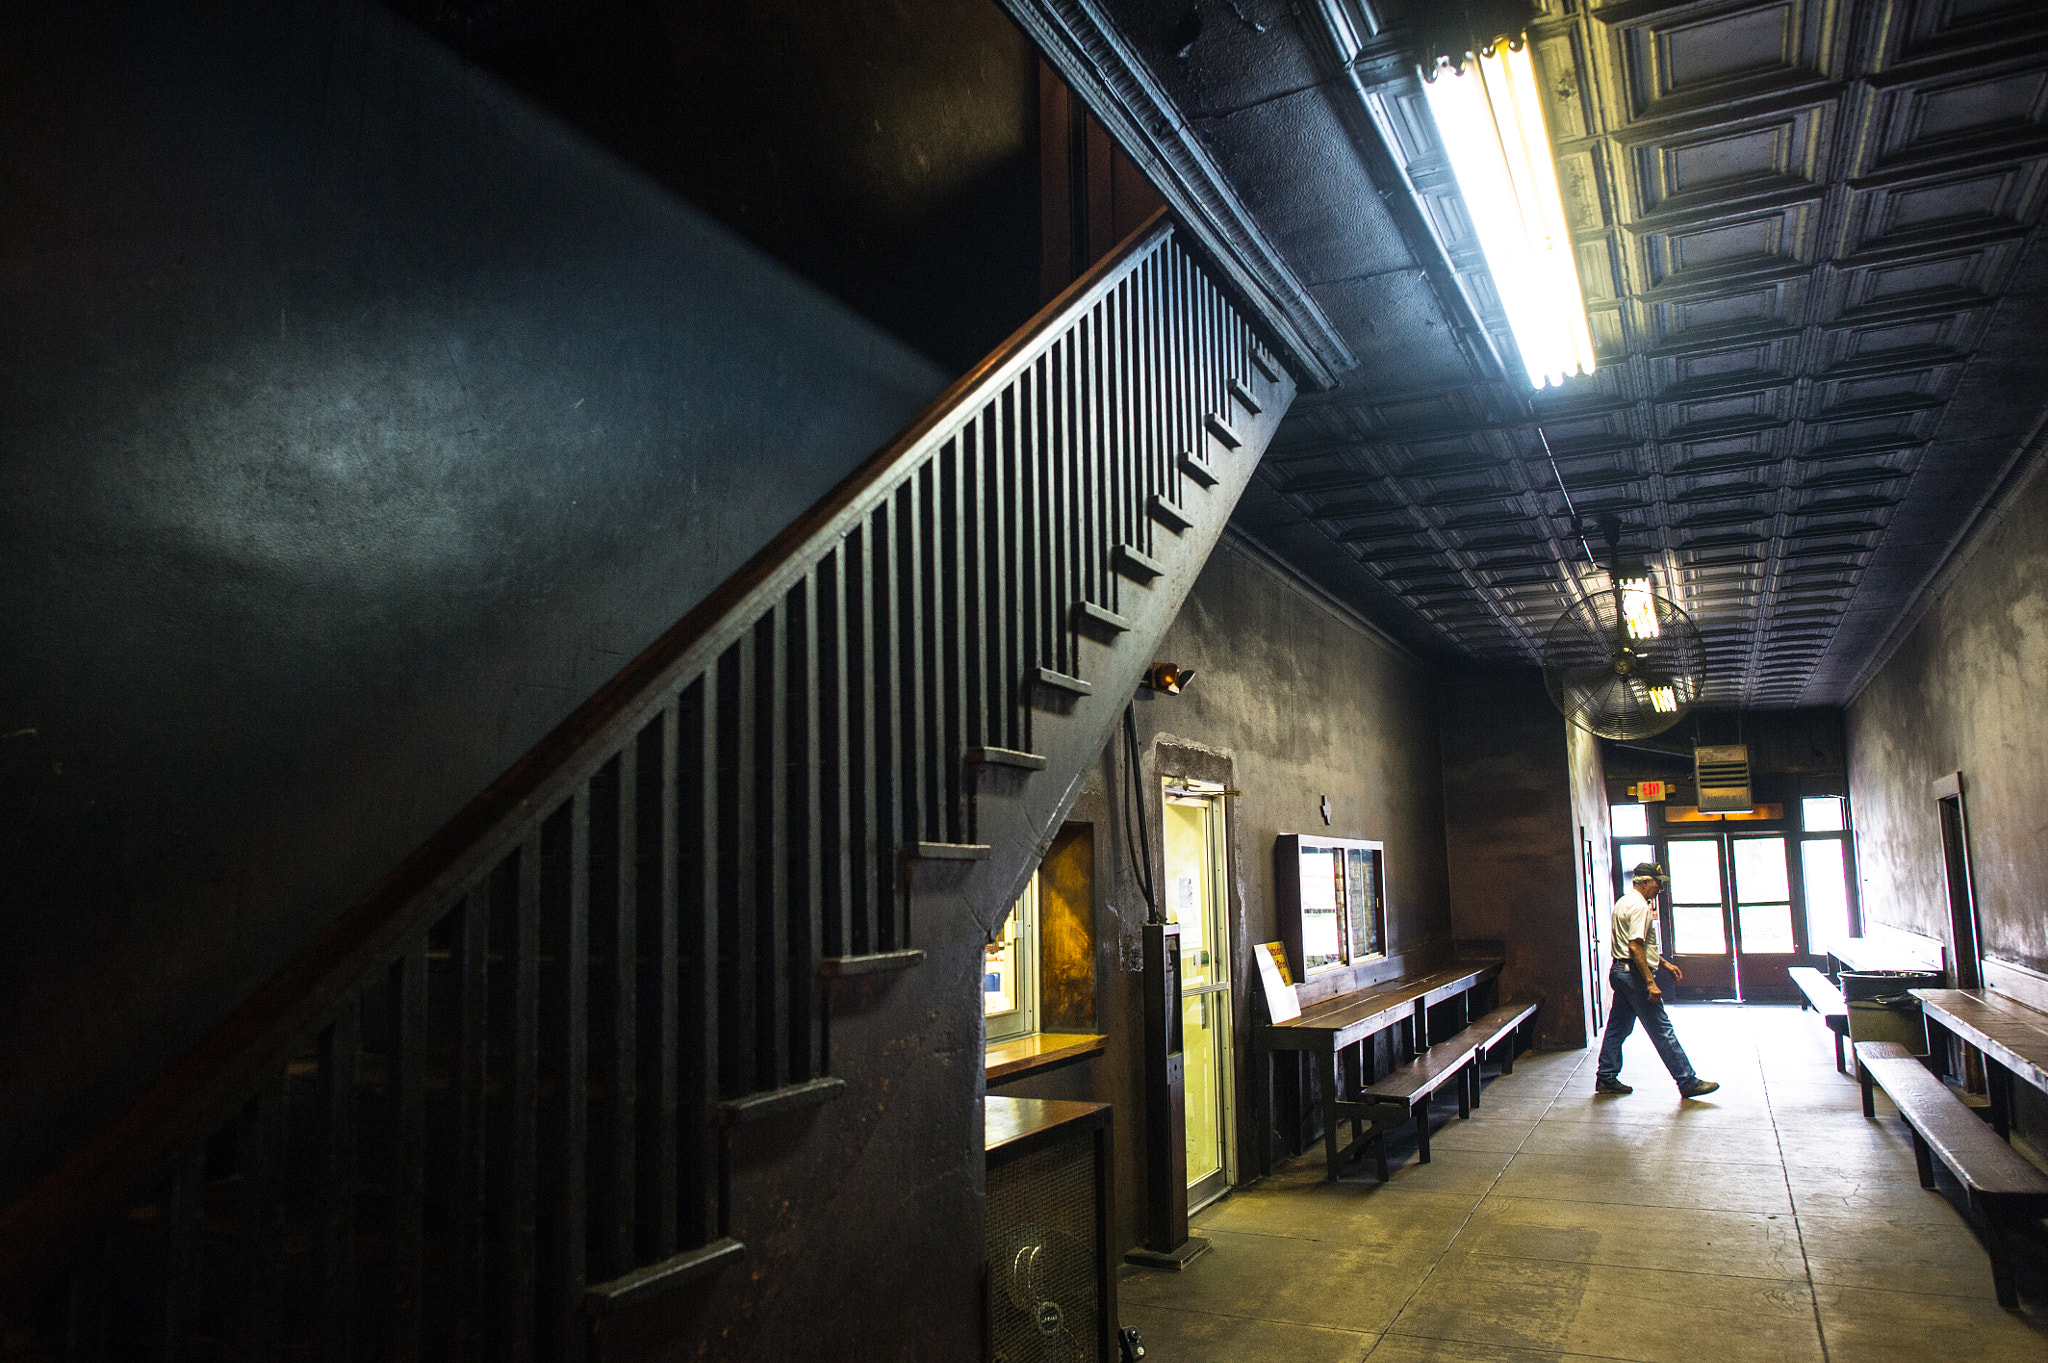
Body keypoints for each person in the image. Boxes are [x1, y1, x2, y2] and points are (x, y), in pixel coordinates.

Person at [1594, 862, 1719, 1098]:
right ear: (1643, 882)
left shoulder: (1623, 902)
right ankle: (1687, 1080)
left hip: (1620, 971)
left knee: (1617, 1028)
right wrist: (1650, 982)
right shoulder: (1640, 907)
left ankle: (1606, 1077)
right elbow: (1635, 945)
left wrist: (1664, 963)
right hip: (1634, 976)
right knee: (1661, 1029)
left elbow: (1636, 945)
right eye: (1657, 882)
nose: (1660, 887)